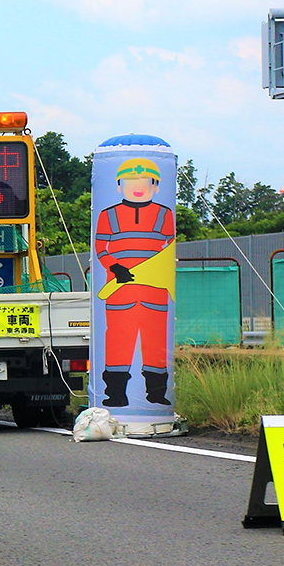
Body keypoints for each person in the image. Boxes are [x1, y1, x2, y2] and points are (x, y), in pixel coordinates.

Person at [94, 158, 174, 407]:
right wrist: (115, 267)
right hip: (120, 291)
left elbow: (169, 248)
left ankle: (157, 393)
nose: (137, 186)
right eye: (130, 181)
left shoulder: (165, 214)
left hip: (154, 293)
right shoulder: (108, 215)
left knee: (156, 342)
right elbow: (100, 247)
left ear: (156, 186)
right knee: (118, 342)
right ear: (119, 186)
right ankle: (115, 394)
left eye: (145, 181)